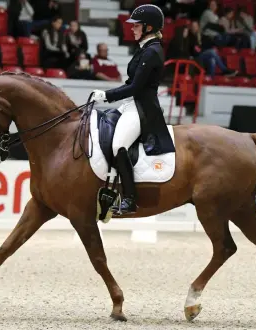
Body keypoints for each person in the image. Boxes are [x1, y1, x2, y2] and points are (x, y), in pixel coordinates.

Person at [89, 4, 175, 215]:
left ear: (148, 27)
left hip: (143, 108)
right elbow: (131, 82)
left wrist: (106, 95)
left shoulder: (153, 51)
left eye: (136, 25)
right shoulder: (145, 48)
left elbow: (135, 87)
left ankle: (129, 199)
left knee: (119, 145)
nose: (132, 29)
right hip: (133, 104)